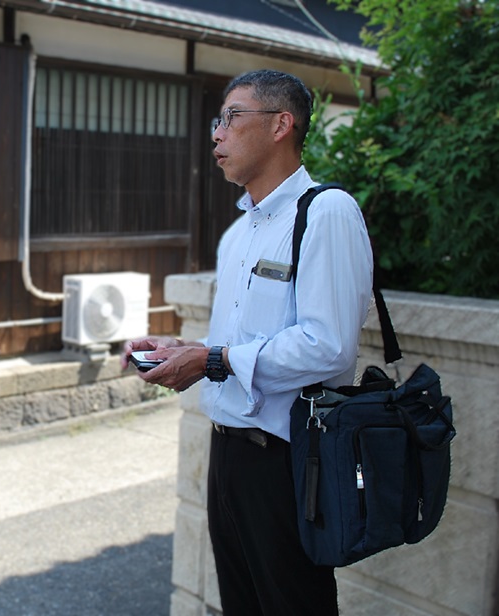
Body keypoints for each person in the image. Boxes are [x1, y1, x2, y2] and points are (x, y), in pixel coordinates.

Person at [122, 70, 373, 615]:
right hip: (227, 450)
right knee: (241, 603)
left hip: (287, 459)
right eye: (219, 121)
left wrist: (211, 359)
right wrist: (183, 349)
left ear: (282, 124)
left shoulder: (325, 211)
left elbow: (329, 347)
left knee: (293, 603)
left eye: (233, 118)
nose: (217, 134)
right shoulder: (240, 233)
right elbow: (239, 345)